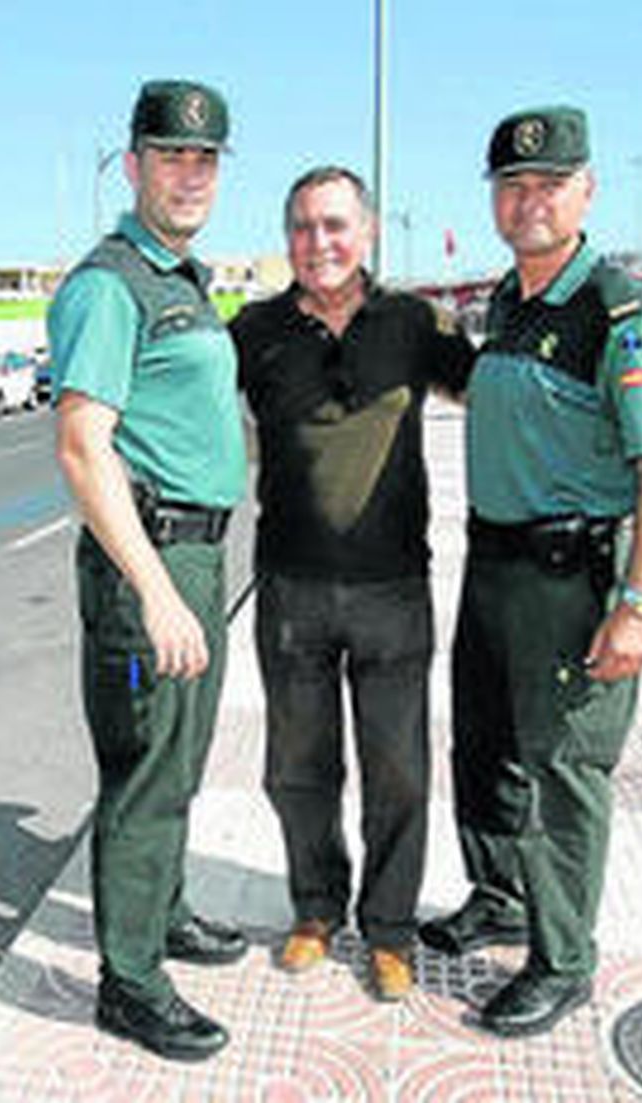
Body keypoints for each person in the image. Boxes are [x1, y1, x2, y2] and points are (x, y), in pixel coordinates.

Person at [419, 105, 642, 1037]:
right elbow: (497, 394)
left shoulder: (610, 308)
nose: (528, 201)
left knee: (565, 769)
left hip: (570, 578)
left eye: (548, 184)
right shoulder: (507, 300)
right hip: (491, 566)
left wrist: (638, 605)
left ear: (587, 191)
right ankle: (499, 895)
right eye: (511, 185)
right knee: (484, 746)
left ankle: (565, 959)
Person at [230, 167, 473, 1002]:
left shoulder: (413, 322)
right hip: (291, 589)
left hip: (394, 592)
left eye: (334, 225)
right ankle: (315, 908)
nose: (317, 242)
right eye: (301, 227)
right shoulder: (252, 330)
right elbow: (198, 412)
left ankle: (392, 928)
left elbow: (495, 392)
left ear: (367, 233)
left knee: (397, 768)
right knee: (298, 767)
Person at [49, 78, 249, 1063]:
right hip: (149, 569)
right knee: (142, 771)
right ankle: (129, 983)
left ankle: (162, 910)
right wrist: (159, 590)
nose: (188, 173)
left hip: (197, 557)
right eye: (169, 156)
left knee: (179, 758)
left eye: (203, 159)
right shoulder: (109, 283)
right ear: (131, 165)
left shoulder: (183, 279)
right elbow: (84, 448)